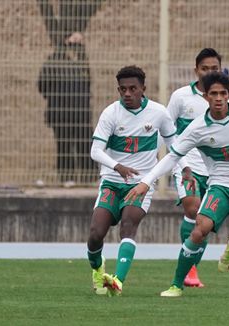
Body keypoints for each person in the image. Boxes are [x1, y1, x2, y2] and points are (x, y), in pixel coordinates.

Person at [125, 72, 229, 297]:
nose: (219, 98)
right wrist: (145, 181)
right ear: (205, 96)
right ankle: (176, 284)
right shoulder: (197, 128)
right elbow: (172, 156)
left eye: (223, 93)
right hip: (220, 187)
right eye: (214, 93)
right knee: (200, 229)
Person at [86, 66, 177, 296]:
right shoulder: (111, 113)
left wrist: (184, 170)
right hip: (111, 181)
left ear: (143, 89)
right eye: (123, 89)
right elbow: (95, 151)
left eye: (132, 88)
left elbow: (176, 147)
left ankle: (118, 281)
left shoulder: (159, 113)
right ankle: (98, 270)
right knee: (96, 233)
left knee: (128, 224)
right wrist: (118, 166)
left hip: (140, 184)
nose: (127, 93)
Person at [167, 48, 227, 288]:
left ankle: (192, 264)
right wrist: (181, 163)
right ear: (196, 70)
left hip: (214, 169)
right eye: (205, 68)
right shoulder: (181, 97)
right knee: (192, 210)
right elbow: (167, 130)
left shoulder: (224, 99)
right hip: (187, 165)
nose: (210, 72)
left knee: (205, 222)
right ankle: (190, 270)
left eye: (214, 68)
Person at [37, 0, 104, 185]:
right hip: (60, 112)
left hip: (80, 112)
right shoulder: (55, 60)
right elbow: (42, 85)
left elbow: (88, 81)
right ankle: (67, 177)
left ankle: (89, 177)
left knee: (84, 144)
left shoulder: (80, 61)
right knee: (64, 146)